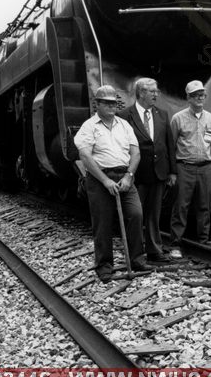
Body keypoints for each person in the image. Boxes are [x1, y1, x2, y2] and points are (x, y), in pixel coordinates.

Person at [74, 85, 148, 282]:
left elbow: (136, 153)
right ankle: (105, 266)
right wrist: (105, 180)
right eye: (106, 102)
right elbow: (85, 156)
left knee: (136, 214)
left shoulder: (124, 125)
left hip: (125, 176)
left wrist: (129, 176)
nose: (111, 106)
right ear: (96, 104)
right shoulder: (89, 127)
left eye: (113, 102)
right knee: (103, 222)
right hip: (100, 179)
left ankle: (137, 261)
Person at [119, 78, 177, 263]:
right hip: (135, 174)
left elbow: (169, 144)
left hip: (158, 173)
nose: (156, 94)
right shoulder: (125, 115)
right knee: (135, 215)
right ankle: (135, 253)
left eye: (156, 91)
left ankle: (154, 250)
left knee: (154, 214)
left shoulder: (162, 114)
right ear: (141, 93)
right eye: (152, 91)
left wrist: (172, 171)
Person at [169, 80, 211, 259]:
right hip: (185, 167)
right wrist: (173, 172)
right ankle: (176, 242)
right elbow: (172, 146)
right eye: (195, 95)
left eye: (202, 95)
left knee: (204, 205)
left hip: (206, 167)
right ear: (188, 98)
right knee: (181, 205)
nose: (200, 98)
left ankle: (203, 242)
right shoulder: (178, 118)